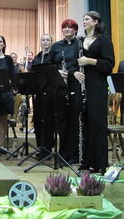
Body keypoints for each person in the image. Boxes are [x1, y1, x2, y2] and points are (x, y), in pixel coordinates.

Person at [75, 11, 115, 173]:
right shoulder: (80, 41)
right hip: (82, 84)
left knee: (97, 124)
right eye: (83, 19)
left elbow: (109, 64)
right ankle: (86, 161)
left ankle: (100, 164)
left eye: (87, 19)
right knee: (85, 124)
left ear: (96, 22)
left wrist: (89, 61)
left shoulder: (104, 40)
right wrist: (74, 72)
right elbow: (74, 62)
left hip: (97, 86)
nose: (84, 21)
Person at [49, 19, 80, 164]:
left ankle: (74, 155)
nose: (67, 29)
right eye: (64, 27)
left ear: (75, 30)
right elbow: (49, 65)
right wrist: (57, 72)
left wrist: (72, 71)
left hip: (75, 85)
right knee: (62, 120)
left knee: (74, 120)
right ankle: (62, 154)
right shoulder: (56, 46)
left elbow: (80, 64)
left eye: (70, 27)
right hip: (60, 88)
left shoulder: (79, 45)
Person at [32, 33, 54, 157]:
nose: (45, 42)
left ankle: (47, 147)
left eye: (47, 40)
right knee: (37, 119)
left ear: (51, 42)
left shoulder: (52, 57)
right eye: (43, 40)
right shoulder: (37, 57)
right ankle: (40, 146)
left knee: (48, 119)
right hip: (38, 93)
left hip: (49, 93)